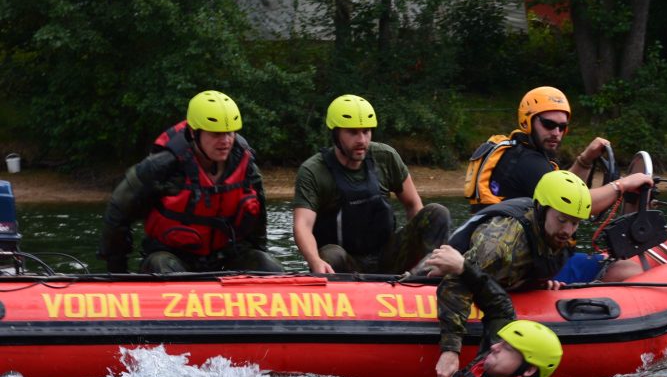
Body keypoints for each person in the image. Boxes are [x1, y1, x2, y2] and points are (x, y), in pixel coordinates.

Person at [427, 170, 644, 377]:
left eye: (575, 223)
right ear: (541, 209)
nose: (568, 230)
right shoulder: (500, 243)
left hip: (495, 284)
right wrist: (450, 350)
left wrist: (533, 283)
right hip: (452, 277)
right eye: (562, 220)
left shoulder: (554, 230)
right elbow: (455, 283)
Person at [98, 90, 283, 273]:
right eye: (216, 134)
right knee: (161, 265)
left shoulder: (247, 167)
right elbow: (118, 213)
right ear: (194, 132)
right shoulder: (161, 167)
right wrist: (117, 271)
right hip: (173, 257)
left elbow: (258, 222)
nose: (226, 141)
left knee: (267, 264)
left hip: (226, 257)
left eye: (230, 133)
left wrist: (259, 255)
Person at [292, 94, 450, 274]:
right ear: (335, 133)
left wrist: (420, 248)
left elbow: (413, 205)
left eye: (366, 131)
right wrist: (314, 261)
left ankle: (427, 274)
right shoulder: (313, 171)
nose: (362, 140)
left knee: (437, 212)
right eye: (352, 132)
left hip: (388, 257)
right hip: (345, 264)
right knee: (331, 254)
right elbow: (302, 225)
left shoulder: (385, 157)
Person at [464, 86, 619, 214]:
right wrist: (622, 186)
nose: (556, 133)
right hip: (510, 248)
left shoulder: (516, 152)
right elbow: (578, 204)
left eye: (562, 127)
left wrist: (585, 160)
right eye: (548, 124)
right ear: (526, 121)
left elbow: (567, 190)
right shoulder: (528, 163)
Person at [423, 319, 563, 377]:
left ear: (530, 370)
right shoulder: (485, 371)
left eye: (506, 348)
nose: (494, 347)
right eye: (500, 342)